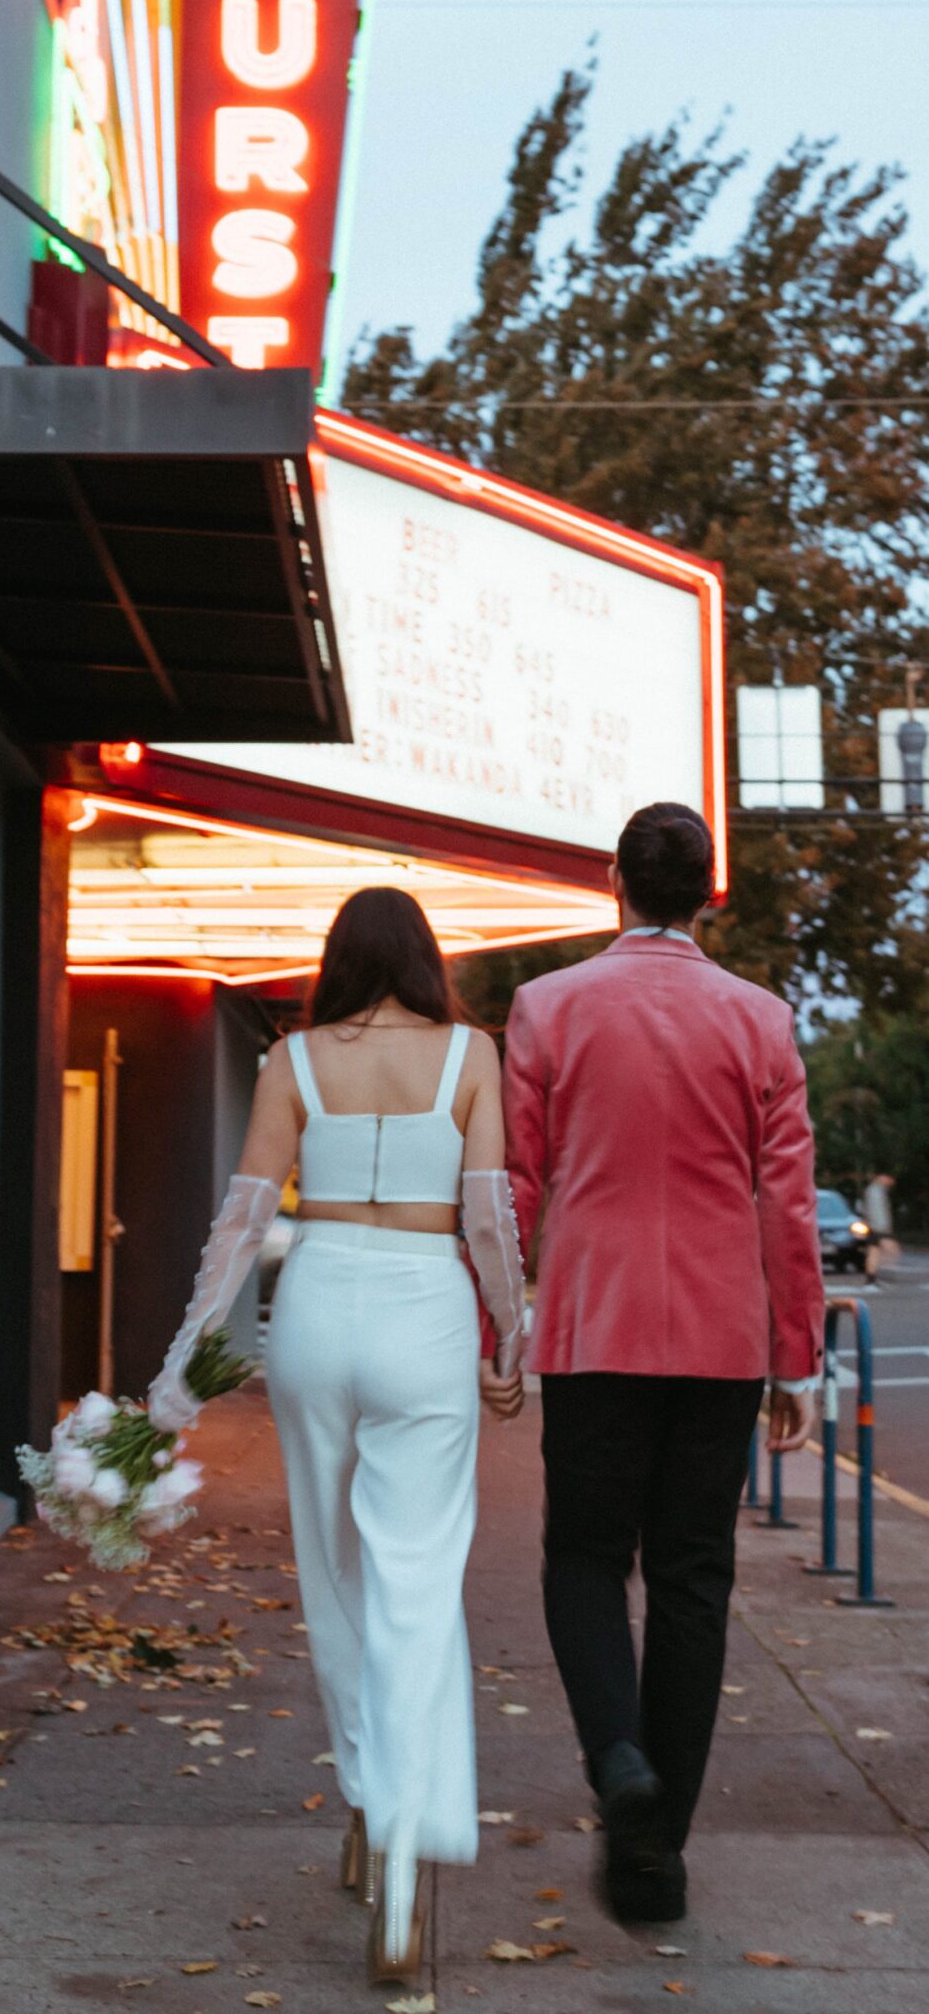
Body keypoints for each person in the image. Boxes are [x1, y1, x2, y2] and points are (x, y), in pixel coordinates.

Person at [147, 887, 526, 1987]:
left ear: (336, 961)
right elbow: (490, 1214)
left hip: (316, 1309)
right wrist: (515, 1337)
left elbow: (245, 1218)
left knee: (336, 1575)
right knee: (416, 1581)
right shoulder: (469, 1055)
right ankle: (404, 1866)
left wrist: (182, 1362)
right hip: (425, 1310)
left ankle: (367, 1799)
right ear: (424, 960)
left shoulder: (294, 1060)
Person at [504, 802, 824, 1927]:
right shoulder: (762, 1021)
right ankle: (659, 1855)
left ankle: (618, 1759)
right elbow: (785, 1202)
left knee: (583, 1559)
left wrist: (503, 1321)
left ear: (614, 882)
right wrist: (799, 1357)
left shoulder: (547, 1008)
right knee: (693, 1576)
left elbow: (516, 1183)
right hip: (722, 1333)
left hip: (593, 1326)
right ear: (706, 891)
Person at [861, 1171, 897, 1286]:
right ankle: (882, 1273)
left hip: (873, 1226)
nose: (891, 1182)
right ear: (882, 1176)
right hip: (879, 1227)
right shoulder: (875, 1192)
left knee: (874, 1251)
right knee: (892, 1249)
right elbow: (878, 1212)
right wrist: (883, 1228)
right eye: (889, 1178)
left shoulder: (874, 1190)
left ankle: (871, 1277)